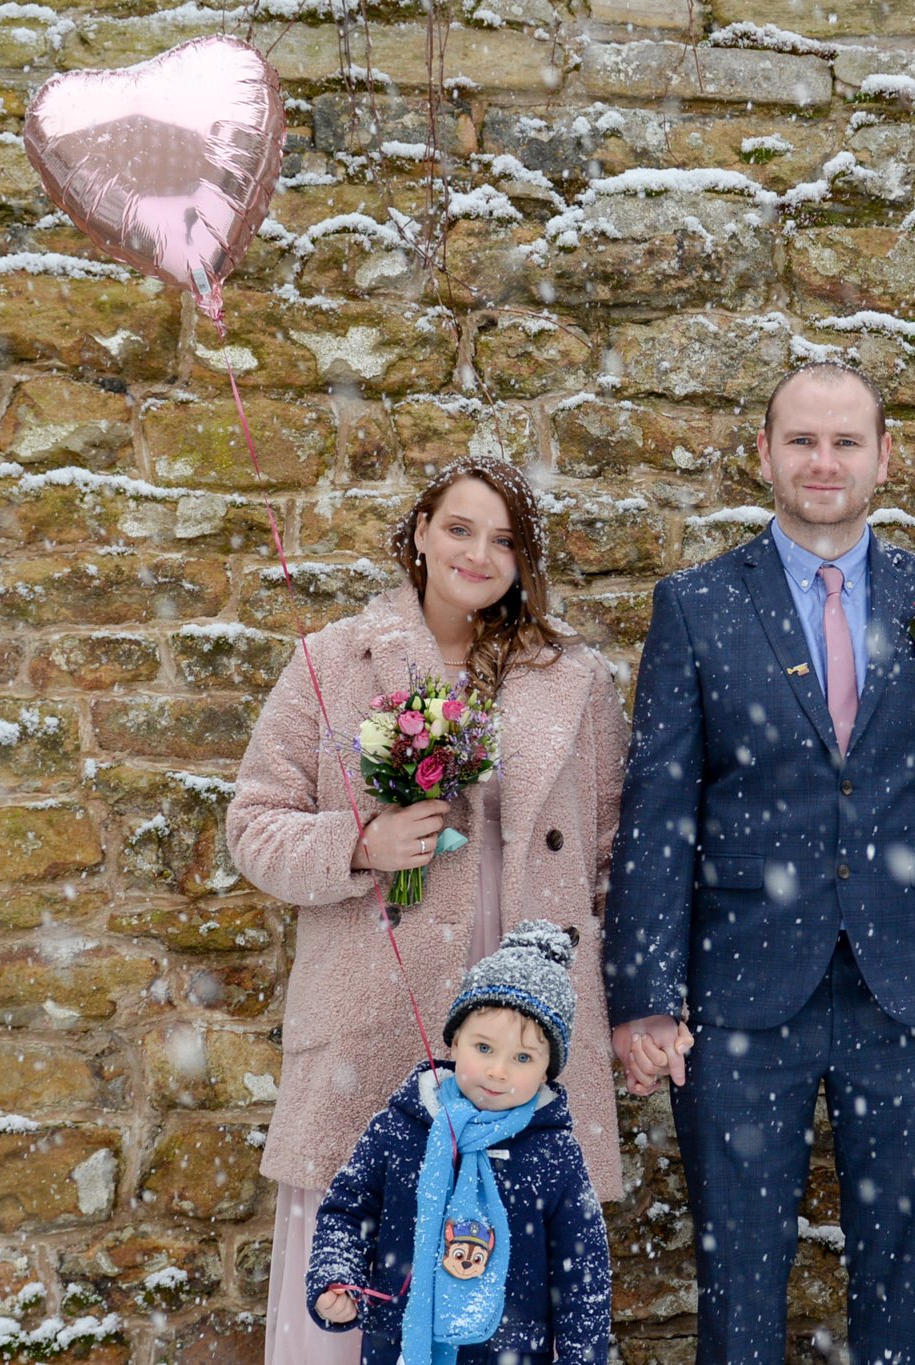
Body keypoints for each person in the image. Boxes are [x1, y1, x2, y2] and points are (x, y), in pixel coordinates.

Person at [604, 361, 915, 1365]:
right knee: (737, 1279)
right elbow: (660, 809)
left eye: (843, 442)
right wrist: (645, 993)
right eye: (800, 441)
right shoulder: (695, 606)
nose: (821, 461)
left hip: (908, 991)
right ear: (763, 455)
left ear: (884, 459)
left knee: (903, 1276)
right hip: (743, 989)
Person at [225, 456, 629, 1365]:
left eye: (505, 539)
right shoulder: (331, 660)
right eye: (459, 528)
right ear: (419, 532)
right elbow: (253, 825)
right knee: (352, 1279)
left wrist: (618, 1007)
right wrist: (361, 844)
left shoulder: (578, 682)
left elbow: (610, 861)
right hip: (376, 1011)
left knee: (510, 1306)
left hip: (519, 1031)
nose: (479, 554)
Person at [305, 921, 612, 1365]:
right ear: (454, 1039)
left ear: (548, 1069)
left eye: (523, 1058)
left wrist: (582, 1357)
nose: (498, 1071)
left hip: (510, 1349)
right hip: (401, 1344)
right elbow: (348, 1210)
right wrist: (337, 1275)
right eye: (484, 1048)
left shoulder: (554, 1153)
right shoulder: (403, 1125)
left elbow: (584, 1269)